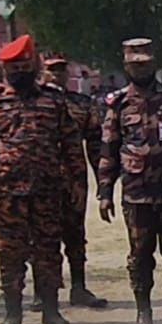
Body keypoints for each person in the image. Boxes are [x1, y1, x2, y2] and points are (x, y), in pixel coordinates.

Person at [0, 35, 78, 324]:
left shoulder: (53, 98)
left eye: (22, 65)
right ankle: (13, 311)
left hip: (47, 189)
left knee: (48, 250)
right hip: (8, 191)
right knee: (10, 252)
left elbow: (69, 142)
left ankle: (50, 309)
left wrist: (75, 180)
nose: (18, 72)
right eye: (12, 68)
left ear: (33, 64)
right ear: (5, 70)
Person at [97, 37, 162, 324]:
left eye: (145, 62)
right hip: (137, 194)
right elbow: (108, 149)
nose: (140, 68)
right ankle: (144, 312)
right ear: (125, 65)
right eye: (134, 63)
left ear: (154, 63)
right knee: (140, 256)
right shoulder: (117, 104)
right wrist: (105, 193)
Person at [40, 52, 110, 309]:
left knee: (75, 234)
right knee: (42, 237)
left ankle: (78, 288)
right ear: (43, 72)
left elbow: (94, 145)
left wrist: (103, 182)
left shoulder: (81, 104)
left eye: (60, 70)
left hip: (73, 180)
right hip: (41, 179)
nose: (56, 74)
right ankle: (43, 291)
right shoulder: (33, 100)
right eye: (51, 70)